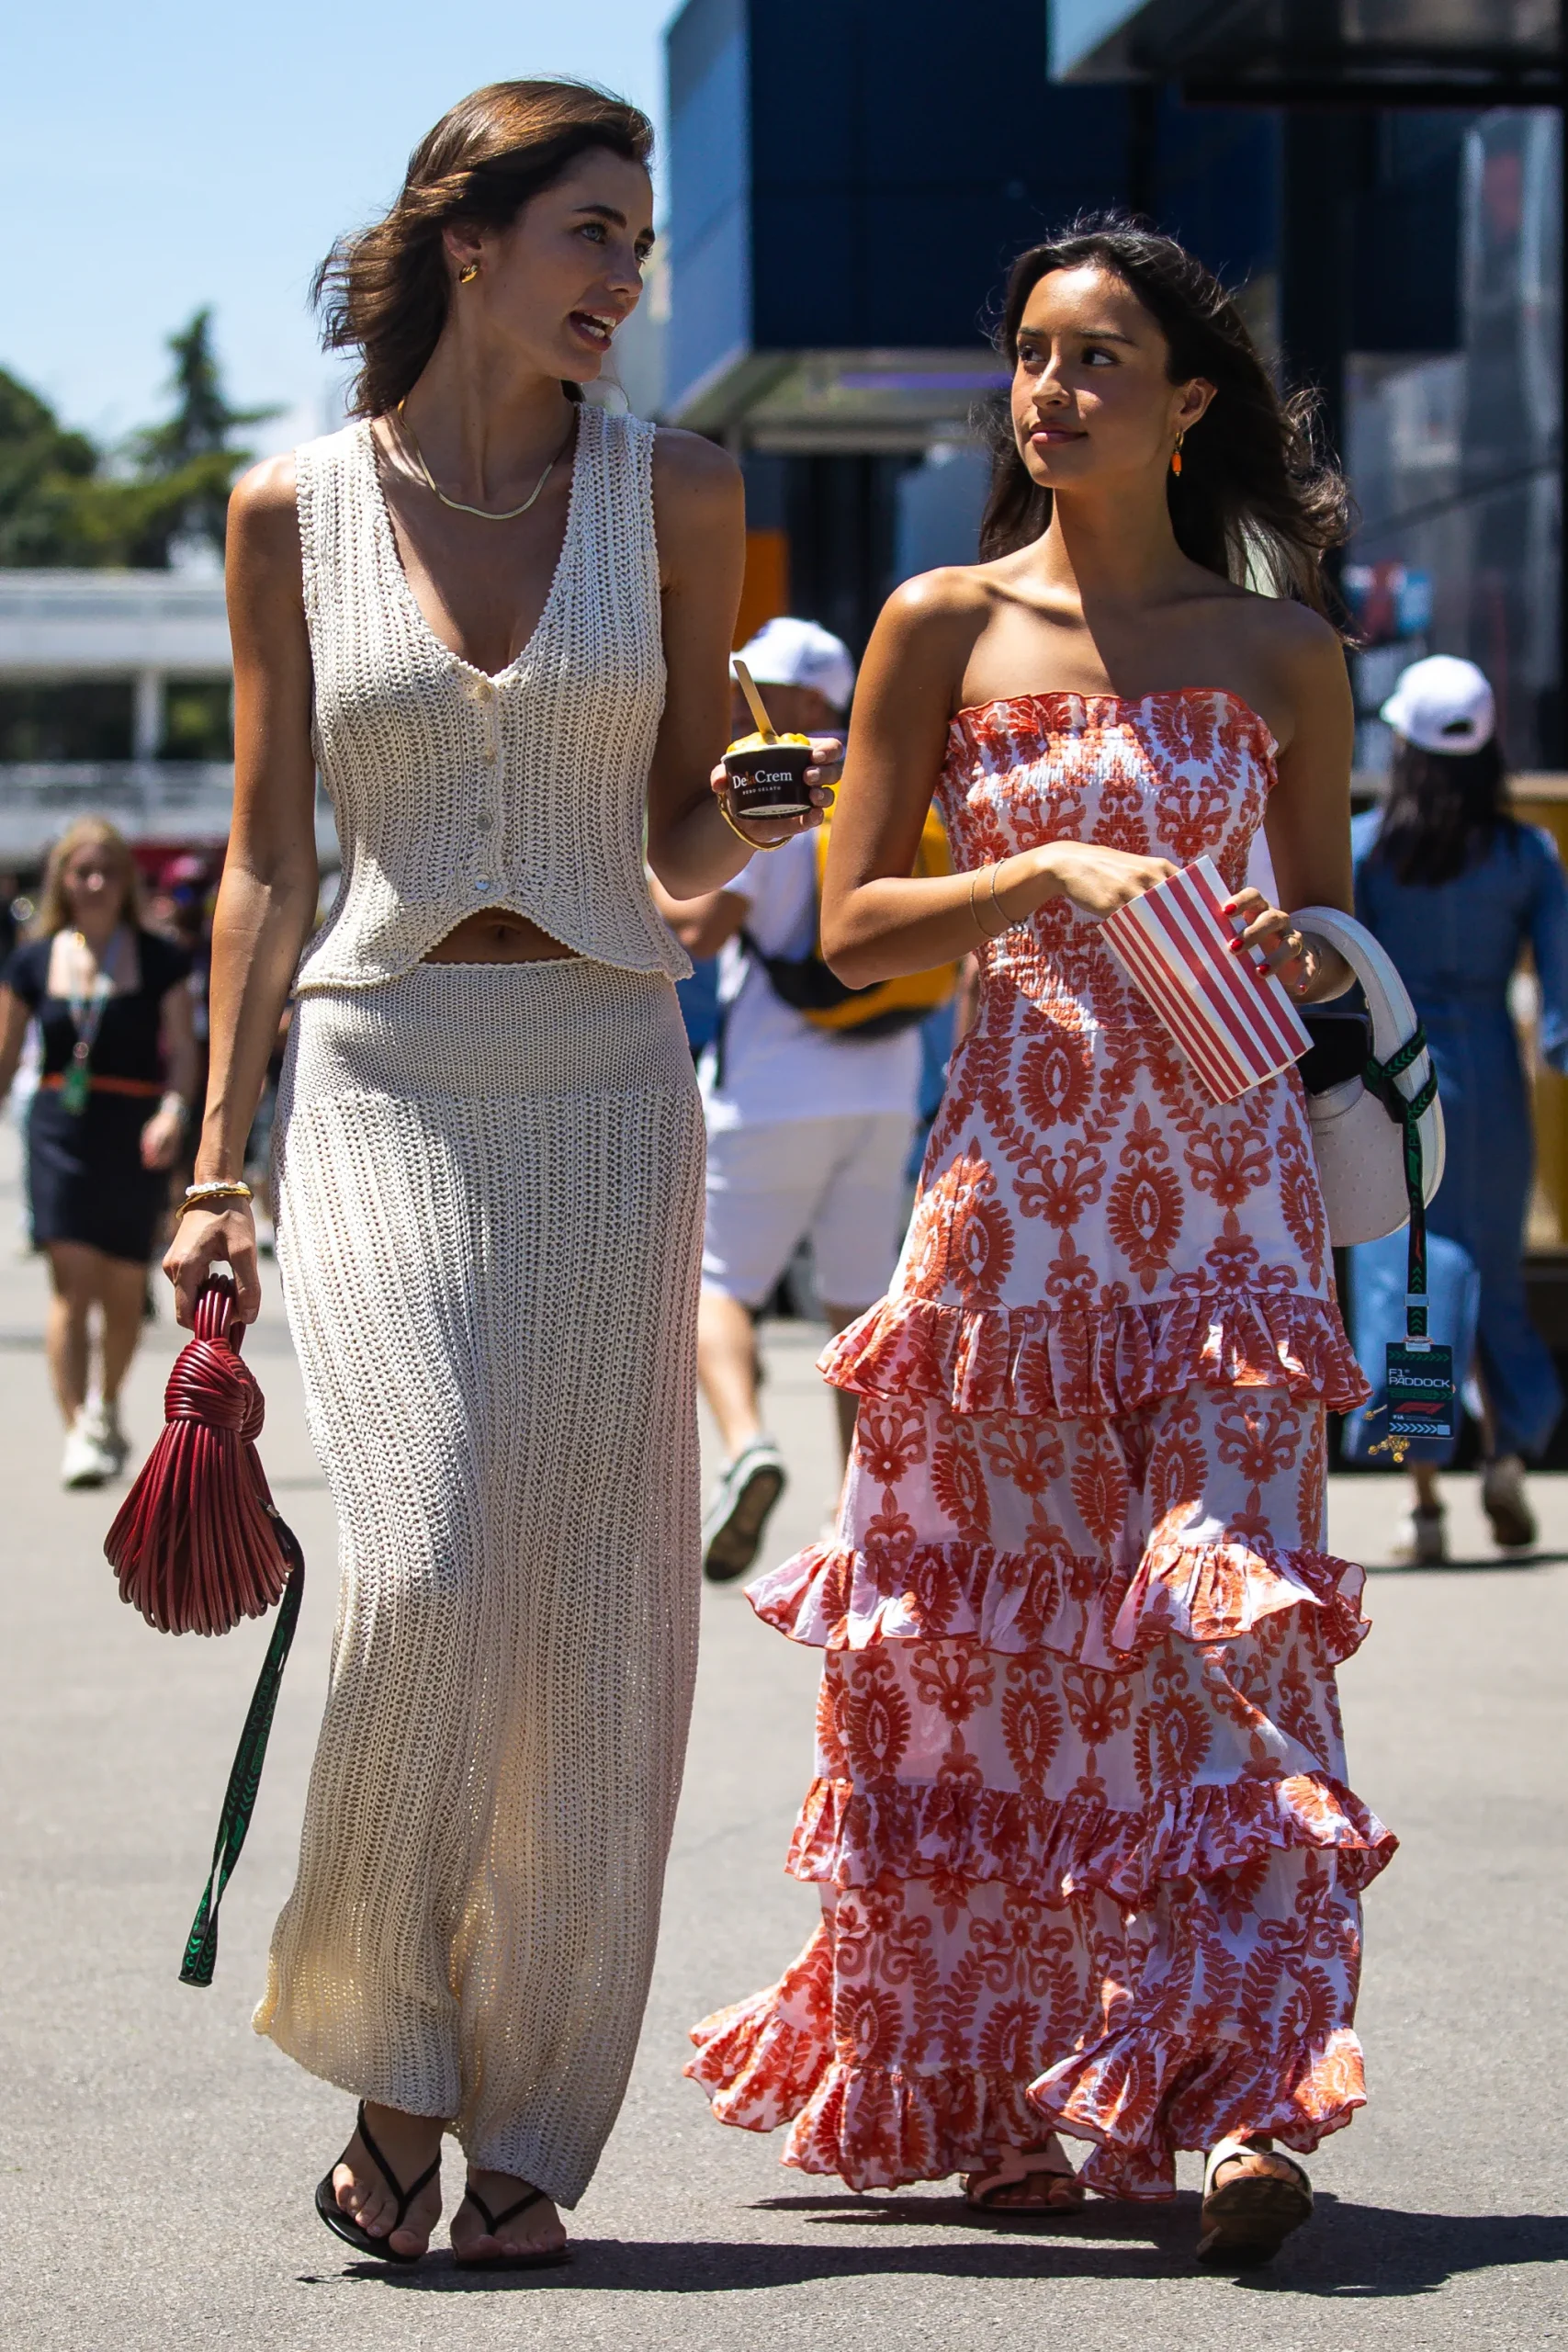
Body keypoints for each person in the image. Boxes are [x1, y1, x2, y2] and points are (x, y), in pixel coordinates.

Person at [162, 81, 839, 2270]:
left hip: (608, 1068)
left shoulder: (684, 491)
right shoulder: (291, 510)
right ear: (464, 238)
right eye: (588, 233)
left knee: (591, 1615)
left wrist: (750, 821)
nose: (623, 281)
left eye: (638, 242)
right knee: (426, 1567)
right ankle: (394, 2060)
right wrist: (213, 1154)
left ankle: (531, 2103)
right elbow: (267, 857)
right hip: (377, 1070)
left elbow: (666, 838)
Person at [688, 218, 1394, 2270]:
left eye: (1099, 358)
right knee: (999, 1664)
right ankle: (1022, 2081)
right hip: (1005, 1225)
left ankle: (1254, 2092)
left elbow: (1333, 943)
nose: (1051, 388)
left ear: (1187, 409)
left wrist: (1287, 932)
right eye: (1030, 354)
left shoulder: (1285, 659)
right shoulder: (932, 622)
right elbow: (848, 926)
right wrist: (1053, 871)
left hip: (1230, 1215)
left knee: (1232, 1637)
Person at [652, 616, 929, 1581]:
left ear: (809, 701)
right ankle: (856, 1502)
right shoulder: (895, 789)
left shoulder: (778, 790)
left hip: (771, 1087)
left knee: (713, 1284)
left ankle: (744, 1443)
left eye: (761, 689)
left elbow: (702, 928)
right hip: (887, 1082)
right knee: (858, 1300)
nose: (741, 704)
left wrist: (645, 878)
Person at [1343, 653, 1568, 1560]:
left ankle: (1424, 1496)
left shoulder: (1365, 848)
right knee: (1496, 1277)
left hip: (1390, 1083)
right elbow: (1560, 1008)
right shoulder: (1528, 854)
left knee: (1410, 1286)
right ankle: (1508, 1456)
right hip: (1491, 1091)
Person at [0, 817, 197, 1487]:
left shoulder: (161, 958)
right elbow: (4, 1056)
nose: (94, 884)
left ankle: (109, 1402)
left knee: (120, 1287)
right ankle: (78, 1426)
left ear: (125, 882)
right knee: (71, 1281)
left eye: (107, 872)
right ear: (62, 880)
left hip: (134, 1129)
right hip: (60, 1124)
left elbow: (183, 1051)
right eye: (81, 872)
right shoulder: (31, 960)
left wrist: (174, 1110)